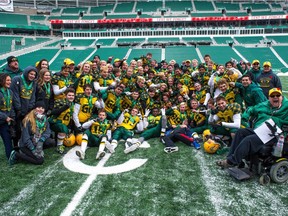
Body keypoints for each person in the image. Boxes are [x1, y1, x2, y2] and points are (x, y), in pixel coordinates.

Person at [216, 88, 288, 168]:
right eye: (272, 96)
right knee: (240, 132)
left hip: (275, 134)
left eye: (278, 95)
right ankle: (230, 158)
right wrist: (245, 116)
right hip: (260, 129)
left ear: (281, 97)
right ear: (269, 98)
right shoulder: (265, 105)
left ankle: (231, 161)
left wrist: (277, 121)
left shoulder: (286, 107)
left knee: (249, 139)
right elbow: (251, 109)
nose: (275, 97)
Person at [8, 101, 53, 165]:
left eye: (42, 108)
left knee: (51, 142)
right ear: (34, 108)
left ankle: (36, 151)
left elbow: (48, 131)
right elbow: (26, 138)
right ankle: (17, 154)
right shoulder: (28, 119)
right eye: (38, 107)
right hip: (25, 145)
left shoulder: (44, 118)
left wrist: (41, 140)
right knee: (39, 161)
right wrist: (33, 150)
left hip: (36, 141)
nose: (40, 109)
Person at [10, 66, 38, 146]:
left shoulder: (33, 83)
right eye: (30, 74)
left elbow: (33, 96)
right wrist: (19, 109)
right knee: (17, 129)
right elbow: (15, 95)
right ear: (26, 73)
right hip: (16, 110)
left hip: (27, 110)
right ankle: (16, 146)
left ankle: (24, 145)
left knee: (26, 128)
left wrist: (30, 108)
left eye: (34, 75)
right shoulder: (17, 79)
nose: (32, 76)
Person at [49, 88, 75, 154]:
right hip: (55, 121)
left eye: (72, 95)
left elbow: (69, 116)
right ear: (65, 95)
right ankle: (59, 146)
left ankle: (60, 141)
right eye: (69, 95)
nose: (71, 97)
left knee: (66, 129)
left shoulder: (72, 104)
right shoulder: (60, 102)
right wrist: (65, 107)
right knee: (63, 128)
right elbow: (53, 112)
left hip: (64, 122)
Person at [0, 73, 15, 159]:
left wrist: (12, 117)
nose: (10, 82)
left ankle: (10, 157)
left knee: (7, 140)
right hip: (4, 119)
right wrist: (5, 117)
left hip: (5, 122)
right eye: (8, 80)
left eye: (10, 80)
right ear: (2, 81)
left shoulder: (10, 92)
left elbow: (11, 107)